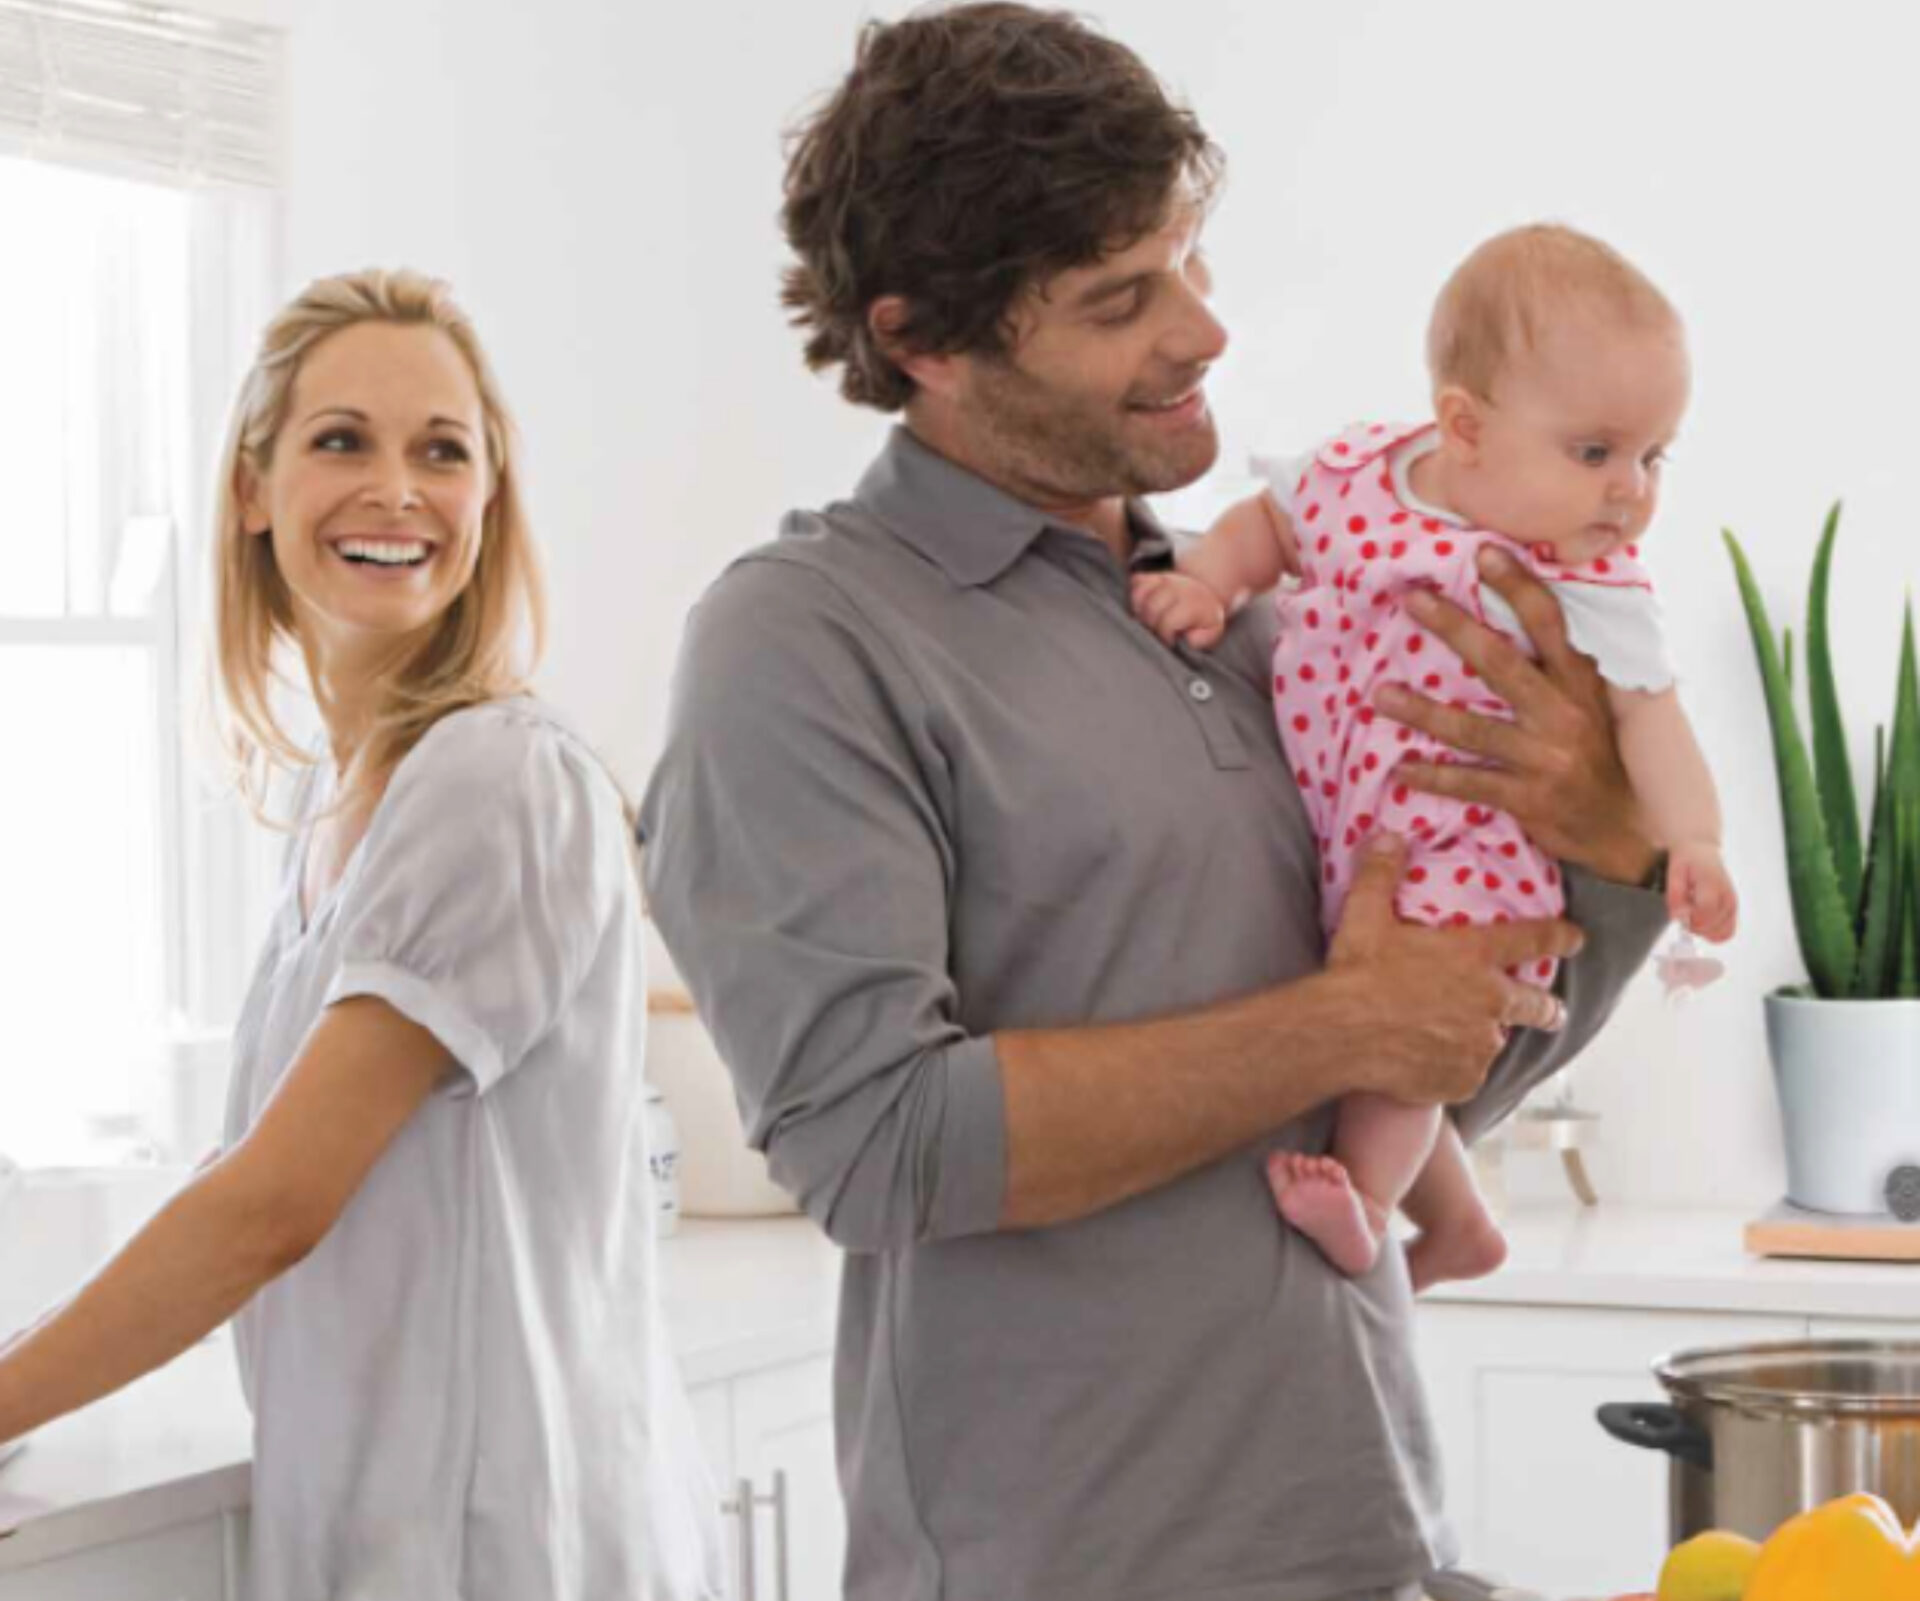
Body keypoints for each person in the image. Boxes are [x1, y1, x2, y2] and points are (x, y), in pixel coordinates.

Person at [640, 7, 1669, 1599]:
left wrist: (1609, 852)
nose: (1203, 331)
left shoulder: (1268, 611)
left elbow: (1435, 1078)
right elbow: (872, 1146)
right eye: (1122, 299)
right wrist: (1338, 1024)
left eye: (1188, 262)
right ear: (924, 338)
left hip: (1375, 1538)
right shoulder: (804, 642)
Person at [0, 270, 724, 1601]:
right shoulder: (333, 803)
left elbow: (271, 1204)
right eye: (343, 440)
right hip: (390, 1525)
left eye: (441, 451)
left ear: (487, 501)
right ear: (252, 488)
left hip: (510, 1546)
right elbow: (257, 1173)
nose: (397, 490)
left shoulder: (498, 777)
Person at [1132, 224, 1737, 1291]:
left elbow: (1652, 717)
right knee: (1371, 992)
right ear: (1463, 424)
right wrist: (1213, 582)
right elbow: (1270, 523)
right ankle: (1462, 1225)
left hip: (1472, 845)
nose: (1630, 491)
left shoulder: (1591, 580)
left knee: (1415, 1013)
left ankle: (1370, 1198)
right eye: (1595, 452)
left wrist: (1694, 837)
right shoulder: (1360, 473)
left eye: (1654, 455)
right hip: (1347, 823)